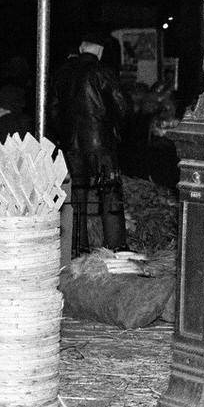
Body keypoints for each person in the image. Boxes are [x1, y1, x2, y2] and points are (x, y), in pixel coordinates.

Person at [51, 29, 129, 253]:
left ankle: (77, 247)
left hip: (71, 145)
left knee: (78, 195)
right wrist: (112, 128)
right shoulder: (102, 72)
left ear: (81, 47)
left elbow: (53, 112)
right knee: (110, 192)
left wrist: (64, 134)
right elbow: (122, 106)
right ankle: (115, 246)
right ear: (100, 50)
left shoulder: (62, 74)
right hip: (101, 144)